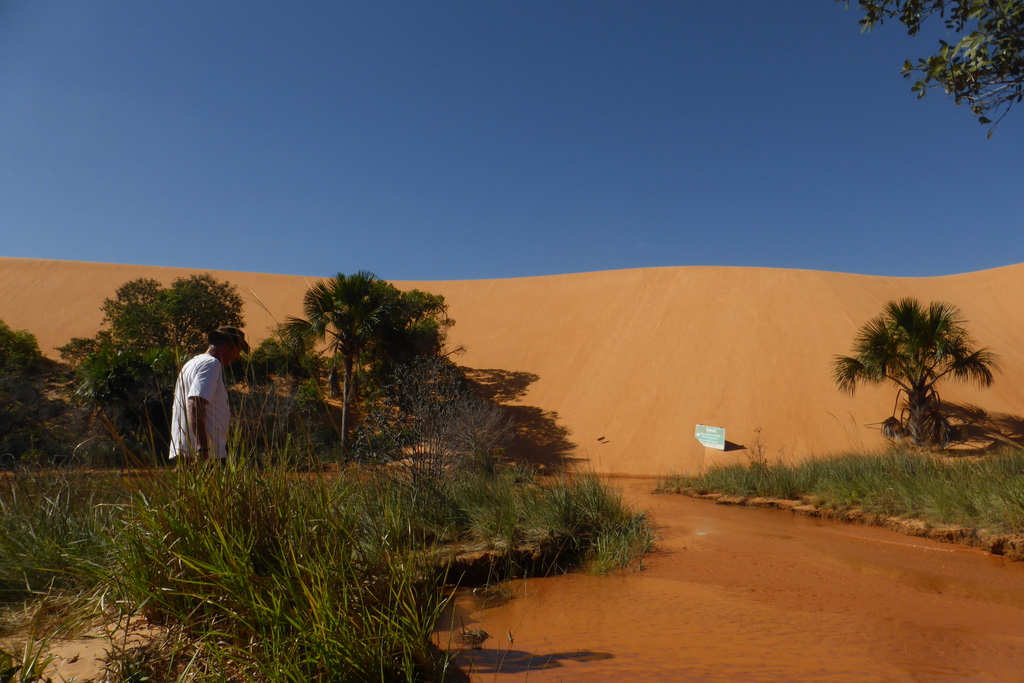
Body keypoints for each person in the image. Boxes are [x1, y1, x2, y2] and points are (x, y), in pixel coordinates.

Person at [169, 326, 249, 463]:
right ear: (226, 347)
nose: (237, 357)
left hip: (187, 450)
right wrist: (202, 448)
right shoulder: (211, 364)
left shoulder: (192, 363)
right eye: (238, 351)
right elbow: (195, 403)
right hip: (206, 454)